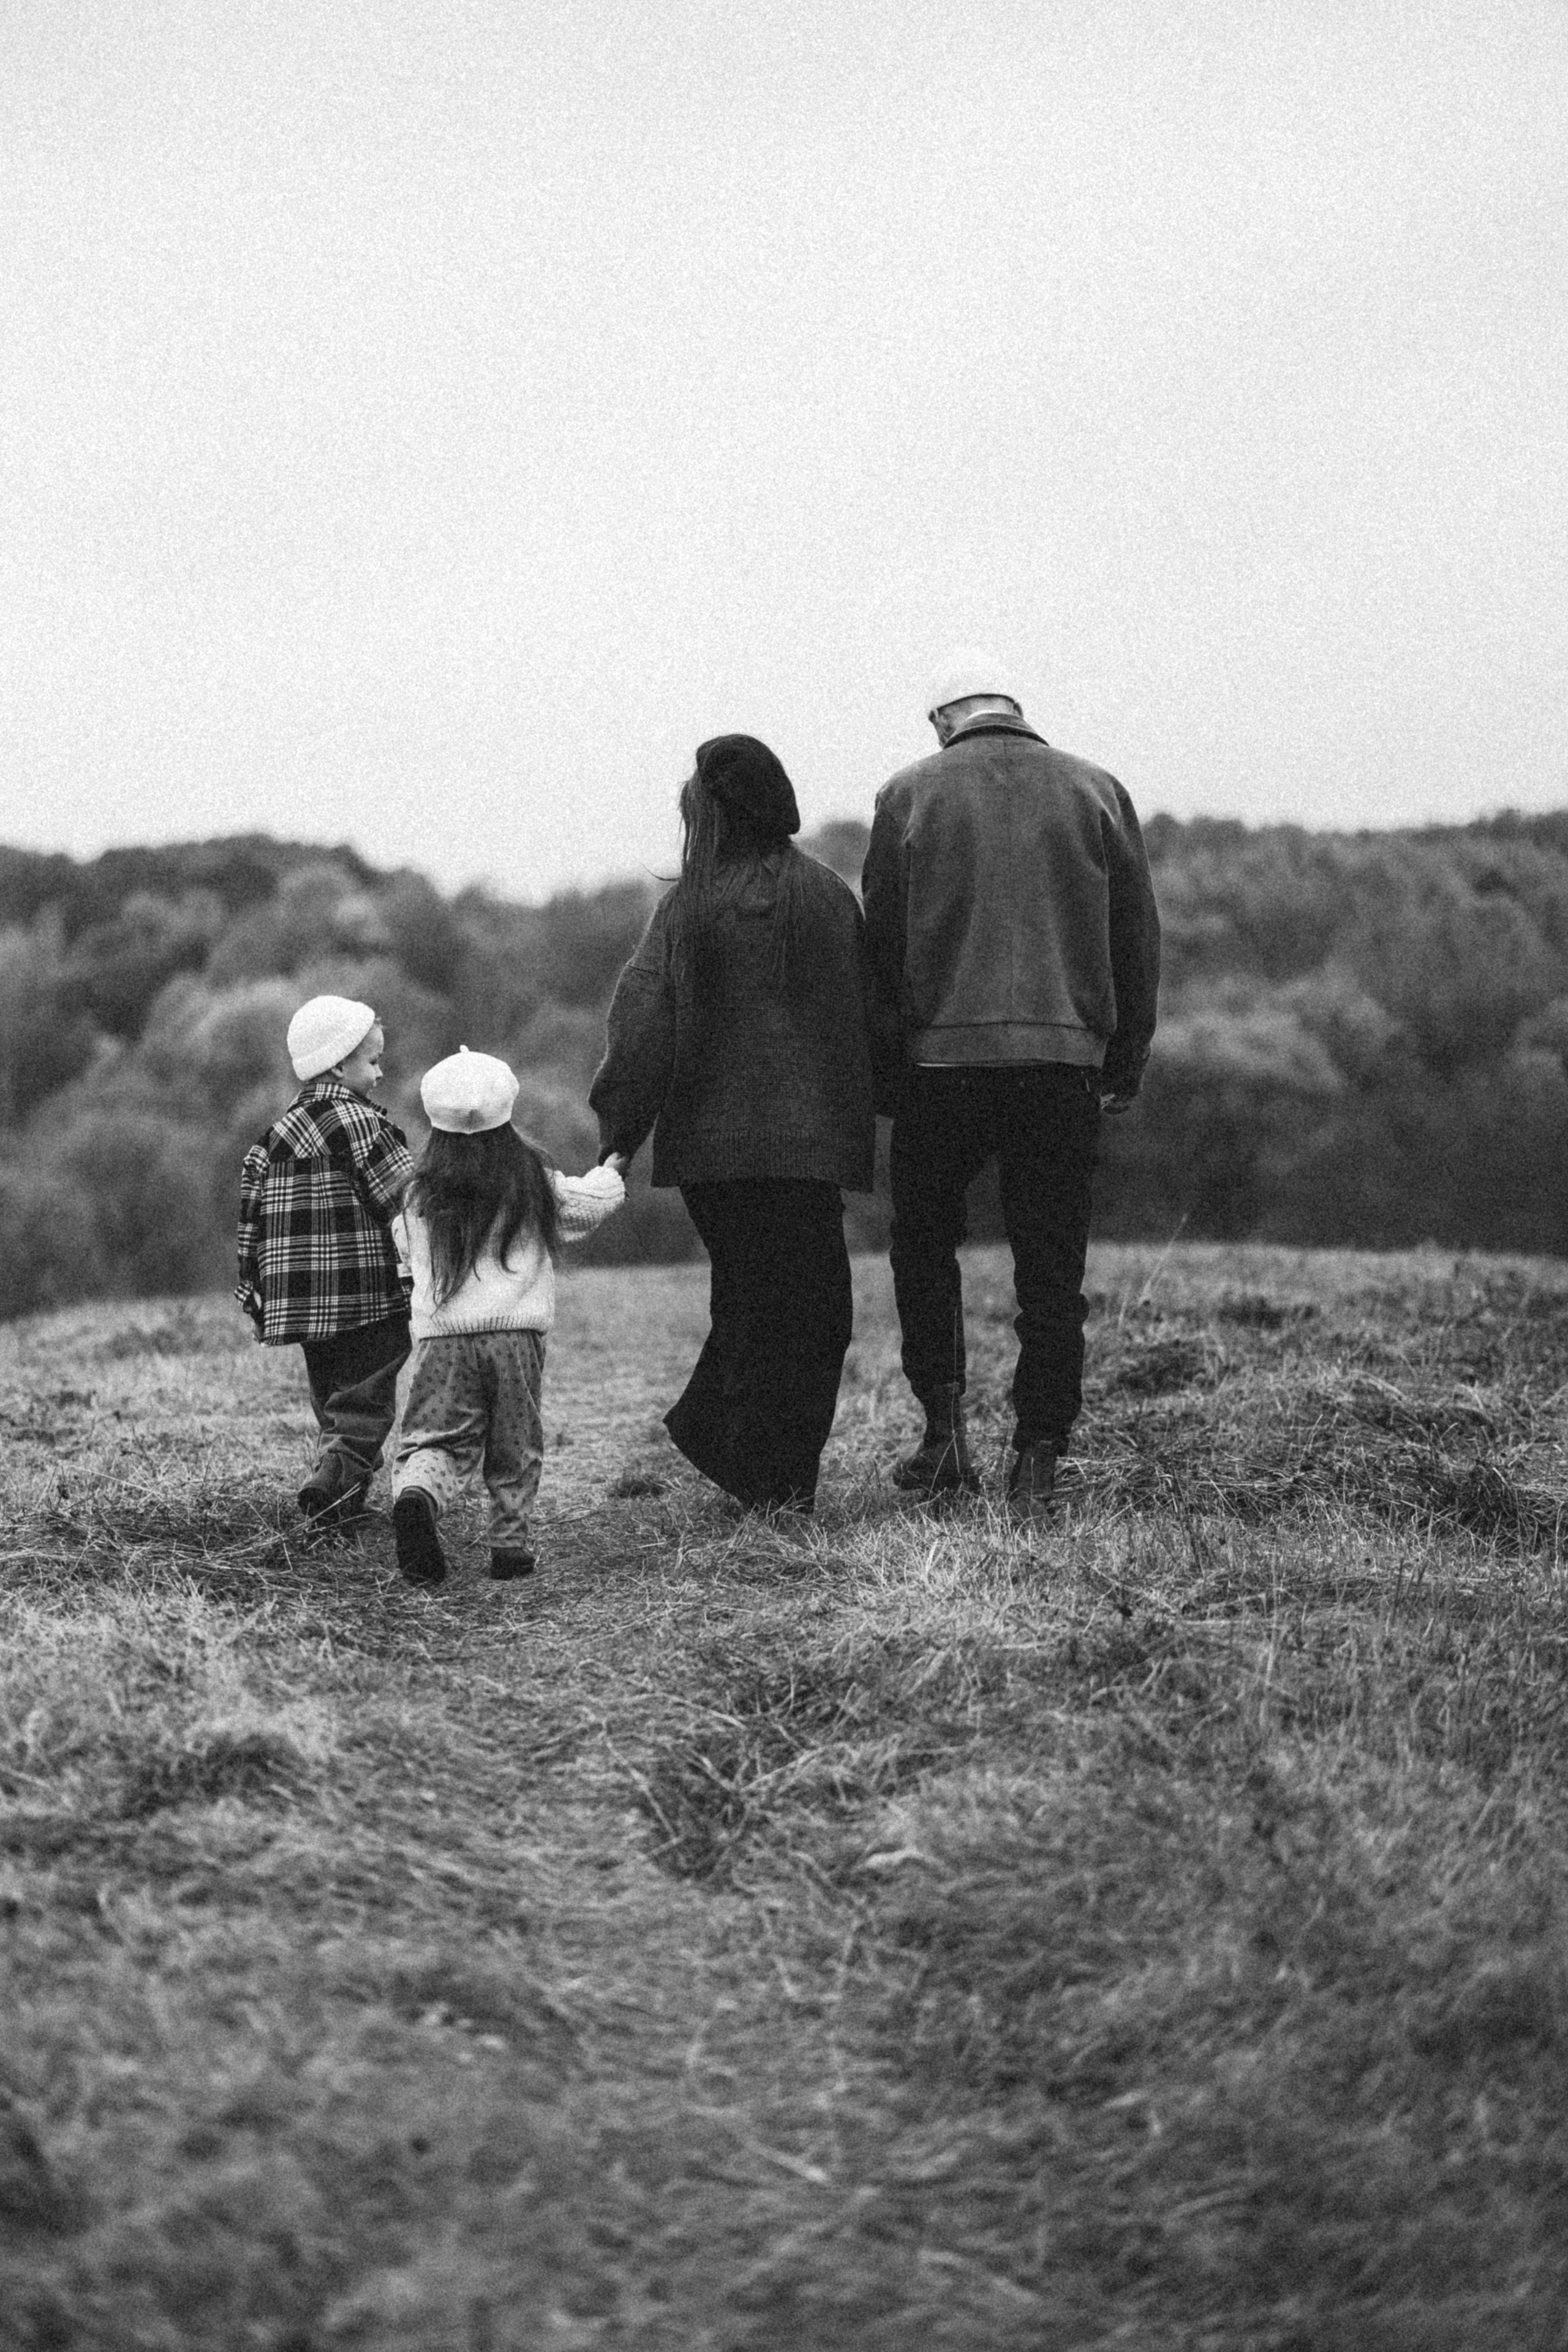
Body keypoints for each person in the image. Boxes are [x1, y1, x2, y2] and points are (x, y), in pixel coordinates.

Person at [862, 650, 1161, 1520]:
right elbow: (1135, 939)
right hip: (1059, 1065)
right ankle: (1037, 1455)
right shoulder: (1097, 790)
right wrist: (1125, 1057)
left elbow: (882, 949)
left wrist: (889, 1075)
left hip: (939, 1069)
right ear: (1015, 710)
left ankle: (943, 1432)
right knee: (1051, 1269)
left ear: (942, 721)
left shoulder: (908, 794)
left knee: (924, 1247)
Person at [590, 735, 876, 1515]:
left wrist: (621, 1128)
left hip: (714, 1154)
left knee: (750, 1304)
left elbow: (643, 1020)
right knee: (816, 1313)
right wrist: (881, 1110)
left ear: (709, 812)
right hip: (812, 1147)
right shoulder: (828, 898)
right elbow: (869, 1016)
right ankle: (775, 1480)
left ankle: (756, 1470)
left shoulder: (687, 909)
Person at [391, 1048, 625, 1587]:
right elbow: (587, 1204)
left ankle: (418, 1496)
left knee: (435, 1440)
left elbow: (406, 1256)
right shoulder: (531, 1182)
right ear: (507, 1113)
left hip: (442, 1342)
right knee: (515, 1444)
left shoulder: (417, 1196)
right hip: (516, 1338)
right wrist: (613, 1173)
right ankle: (510, 1549)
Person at [236, 994, 415, 1527]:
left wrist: (252, 1291)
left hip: (303, 1309)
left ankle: (339, 1501)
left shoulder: (269, 1141)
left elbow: (250, 1226)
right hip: (368, 1295)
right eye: (373, 1061)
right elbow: (407, 1202)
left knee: (334, 1398)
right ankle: (333, 1480)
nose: (381, 1073)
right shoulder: (364, 1127)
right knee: (366, 1400)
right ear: (338, 1063)